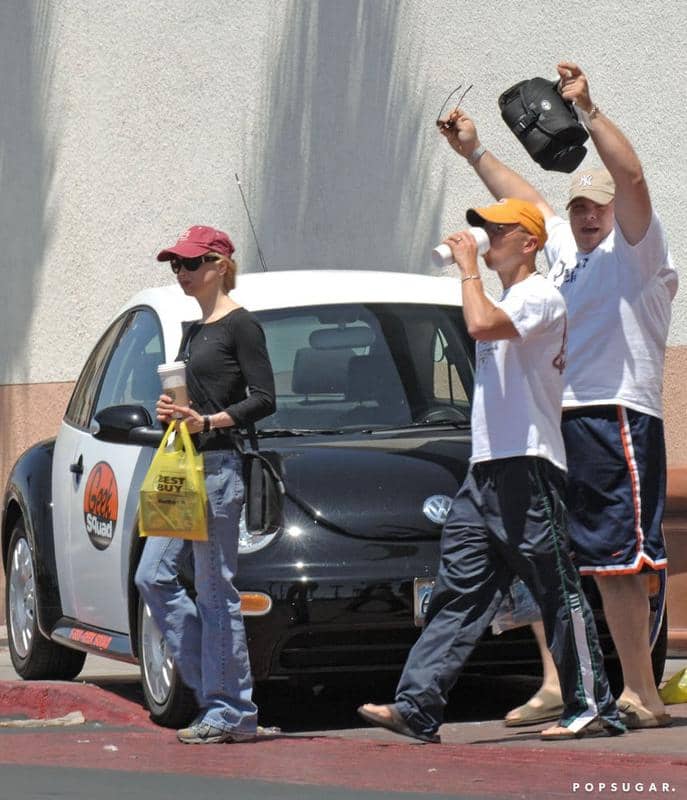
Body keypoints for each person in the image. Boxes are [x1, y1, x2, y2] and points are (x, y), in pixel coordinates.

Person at [438, 61, 677, 729]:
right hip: (552, 422)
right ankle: (556, 682)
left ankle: (640, 692)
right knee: (551, 556)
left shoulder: (637, 245)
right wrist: (475, 150)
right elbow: (523, 200)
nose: (585, 215)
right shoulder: (567, 245)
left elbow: (628, 177)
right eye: (577, 206)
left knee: (617, 562)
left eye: (595, 205)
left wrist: (589, 110)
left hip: (614, 414)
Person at [358, 198, 624, 742]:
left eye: (497, 230)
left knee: (557, 589)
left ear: (529, 243)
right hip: (485, 470)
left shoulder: (539, 295)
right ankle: (417, 705)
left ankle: (593, 706)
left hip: (529, 467)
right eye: (483, 229)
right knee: (459, 591)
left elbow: (479, 326)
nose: (484, 236)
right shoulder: (508, 294)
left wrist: (468, 268)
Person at [135, 225, 276, 744]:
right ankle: (217, 692)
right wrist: (173, 410)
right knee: (152, 576)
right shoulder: (193, 330)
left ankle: (232, 708)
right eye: (176, 264)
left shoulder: (241, 326)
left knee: (217, 592)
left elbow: (264, 398)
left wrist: (209, 421)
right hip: (185, 468)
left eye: (191, 263)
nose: (181, 273)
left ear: (220, 265)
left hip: (218, 470)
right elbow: (195, 400)